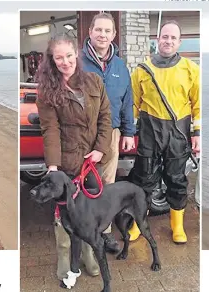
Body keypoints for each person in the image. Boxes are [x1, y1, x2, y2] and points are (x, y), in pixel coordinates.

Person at [35, 33, 113, 286]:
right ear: (52, 60)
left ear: (76, 54)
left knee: (89, 212)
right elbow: (50, 130)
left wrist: (101, 149)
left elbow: (105, 117)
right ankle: (65, 258)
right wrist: (54, 168)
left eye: (69, 56)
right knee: (64, 214)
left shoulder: (93, 81)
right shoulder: (46, 91)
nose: (65, 62)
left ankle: (90, 255)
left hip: (92, 161)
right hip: (66, 164)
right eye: (59, 58)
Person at [128, 20, 200, 244]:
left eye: (172, 38)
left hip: (178, 134)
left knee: (177, 180)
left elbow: (198, 104)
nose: (168, 41)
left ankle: (177, 227)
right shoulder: (141, 70)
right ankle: (138, 225)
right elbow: (132, 104)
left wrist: (197, 133)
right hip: (149, 132)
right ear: (157, 39)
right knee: (143, 180)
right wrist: (129, 132)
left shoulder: (191, 70)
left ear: (179, 42)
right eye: (164, 36)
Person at [81, 12, 136, 253]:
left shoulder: (120, 66)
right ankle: (84, 232)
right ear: (90, 32)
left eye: (107, 31)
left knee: (107, 184)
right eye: (98, 30)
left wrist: (128, 132)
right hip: (82, 132)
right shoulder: (78, 62)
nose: (102, 35)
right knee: (82, 183)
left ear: (114, 35)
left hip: (111, 132)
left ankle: (104, 233)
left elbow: (127, 101)